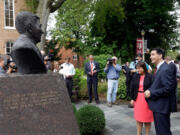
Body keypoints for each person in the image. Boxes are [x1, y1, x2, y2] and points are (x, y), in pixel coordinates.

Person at [144, 48, 177, 135]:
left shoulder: (165, 69)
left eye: (153, 54)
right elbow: (158, 85)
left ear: (160, 55)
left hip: (162, 107)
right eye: (151, 54)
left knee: (163, 132)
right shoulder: (160, 68)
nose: (150, 57)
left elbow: (168, 89)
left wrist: (151, 92)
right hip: (159, 107)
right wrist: (150, 89)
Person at [130, 62, 153, 135]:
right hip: (138, 99)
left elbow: (153, 87)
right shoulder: (135, 76)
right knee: (139, 118)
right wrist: (132, 98)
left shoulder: (150, 76)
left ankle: (147, 134)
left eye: (140, 68)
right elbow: (132, 88)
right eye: (137, 68)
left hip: (147, 99)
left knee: (147, 119)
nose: (138, 70)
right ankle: (139, 133)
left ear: (144, 68)